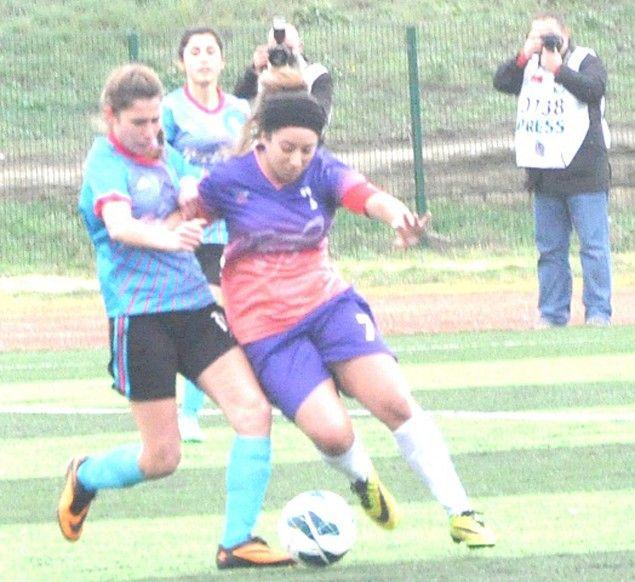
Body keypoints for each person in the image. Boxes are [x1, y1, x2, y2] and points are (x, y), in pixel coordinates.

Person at [181, 88, 497, 548]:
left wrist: (396, 216)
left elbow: (366, 196)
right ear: (263, 138)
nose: (297, 159)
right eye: (287, 148)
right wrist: (177, 211)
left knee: (395, 402)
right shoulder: (230, 180)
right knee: (332, 435)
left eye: (306, 149)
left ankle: (461, 512)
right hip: (267, 330)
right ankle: (363, 479)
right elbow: (185, 214)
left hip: (329, 308)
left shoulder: (322, 170)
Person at [57, 63, 294, 570]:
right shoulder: (104, 162)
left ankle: (237, 542)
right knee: (162, 457)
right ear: (111, 117)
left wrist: (190, 192)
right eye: (138, 123)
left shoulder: (166, 154)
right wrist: (170, 235)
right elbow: (120, 227)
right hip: (140, 317)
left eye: (155, 121)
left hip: (193, 306)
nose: (150, 133)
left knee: (253, 412)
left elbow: (193, 187)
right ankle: (85, 475)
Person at [493, 12, 612, 327]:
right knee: (550, 250)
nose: (544, 41)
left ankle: (599, 312)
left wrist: (558, 69)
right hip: (544, 174)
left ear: (566, 35)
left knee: (594, 248)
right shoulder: (527, 65)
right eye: (537, 35)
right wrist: (524, 55)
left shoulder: (585, 60)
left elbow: (594, 89)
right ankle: (552, 313)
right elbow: (501, 82)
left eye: (550, 36)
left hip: (584, 172)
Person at [162, 27, 251, 442]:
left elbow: (251, 161)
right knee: (203, 312)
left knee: (222, 313)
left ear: (222, 60)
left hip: (233, 225)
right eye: (194, 51)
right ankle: (185, 413)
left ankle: (197, 409)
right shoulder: (169, 109)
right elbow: (156, 156)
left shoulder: (239, 110)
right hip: (190, 226)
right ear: (181, 61)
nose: (203, 58)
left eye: (210, 51)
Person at [233, 18, 333, 118]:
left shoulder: (315, 73)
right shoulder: (260, 74)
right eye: (276, 49)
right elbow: (236, 108)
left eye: (288, 48)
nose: (282, 53)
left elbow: (321, 115)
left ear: (300, 47)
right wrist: (253, 73)